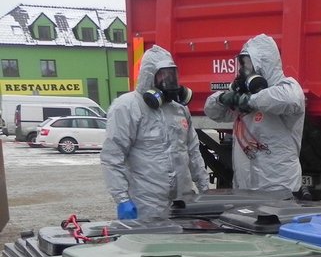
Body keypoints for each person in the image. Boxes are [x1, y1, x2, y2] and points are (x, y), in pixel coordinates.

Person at [101, 45, 210, 220]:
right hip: (146, 204)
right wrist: (122, 199)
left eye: (172, 75)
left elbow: (193, 151)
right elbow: (112, 157)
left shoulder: (179, 110)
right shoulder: (128, 107)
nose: (169, 81)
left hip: (183, 202)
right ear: (149, 76)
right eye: (163, 75)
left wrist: (205, 189)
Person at [204, 34, 305, 194]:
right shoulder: (244, 95)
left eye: (249, 64)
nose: (245, 70)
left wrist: (249, 100)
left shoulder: (287, 88)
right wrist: (224, 98)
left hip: (278, 191)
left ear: (263, 64)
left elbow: (289, 100)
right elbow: (211, 110)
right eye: (243, 65)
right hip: (245, 191)